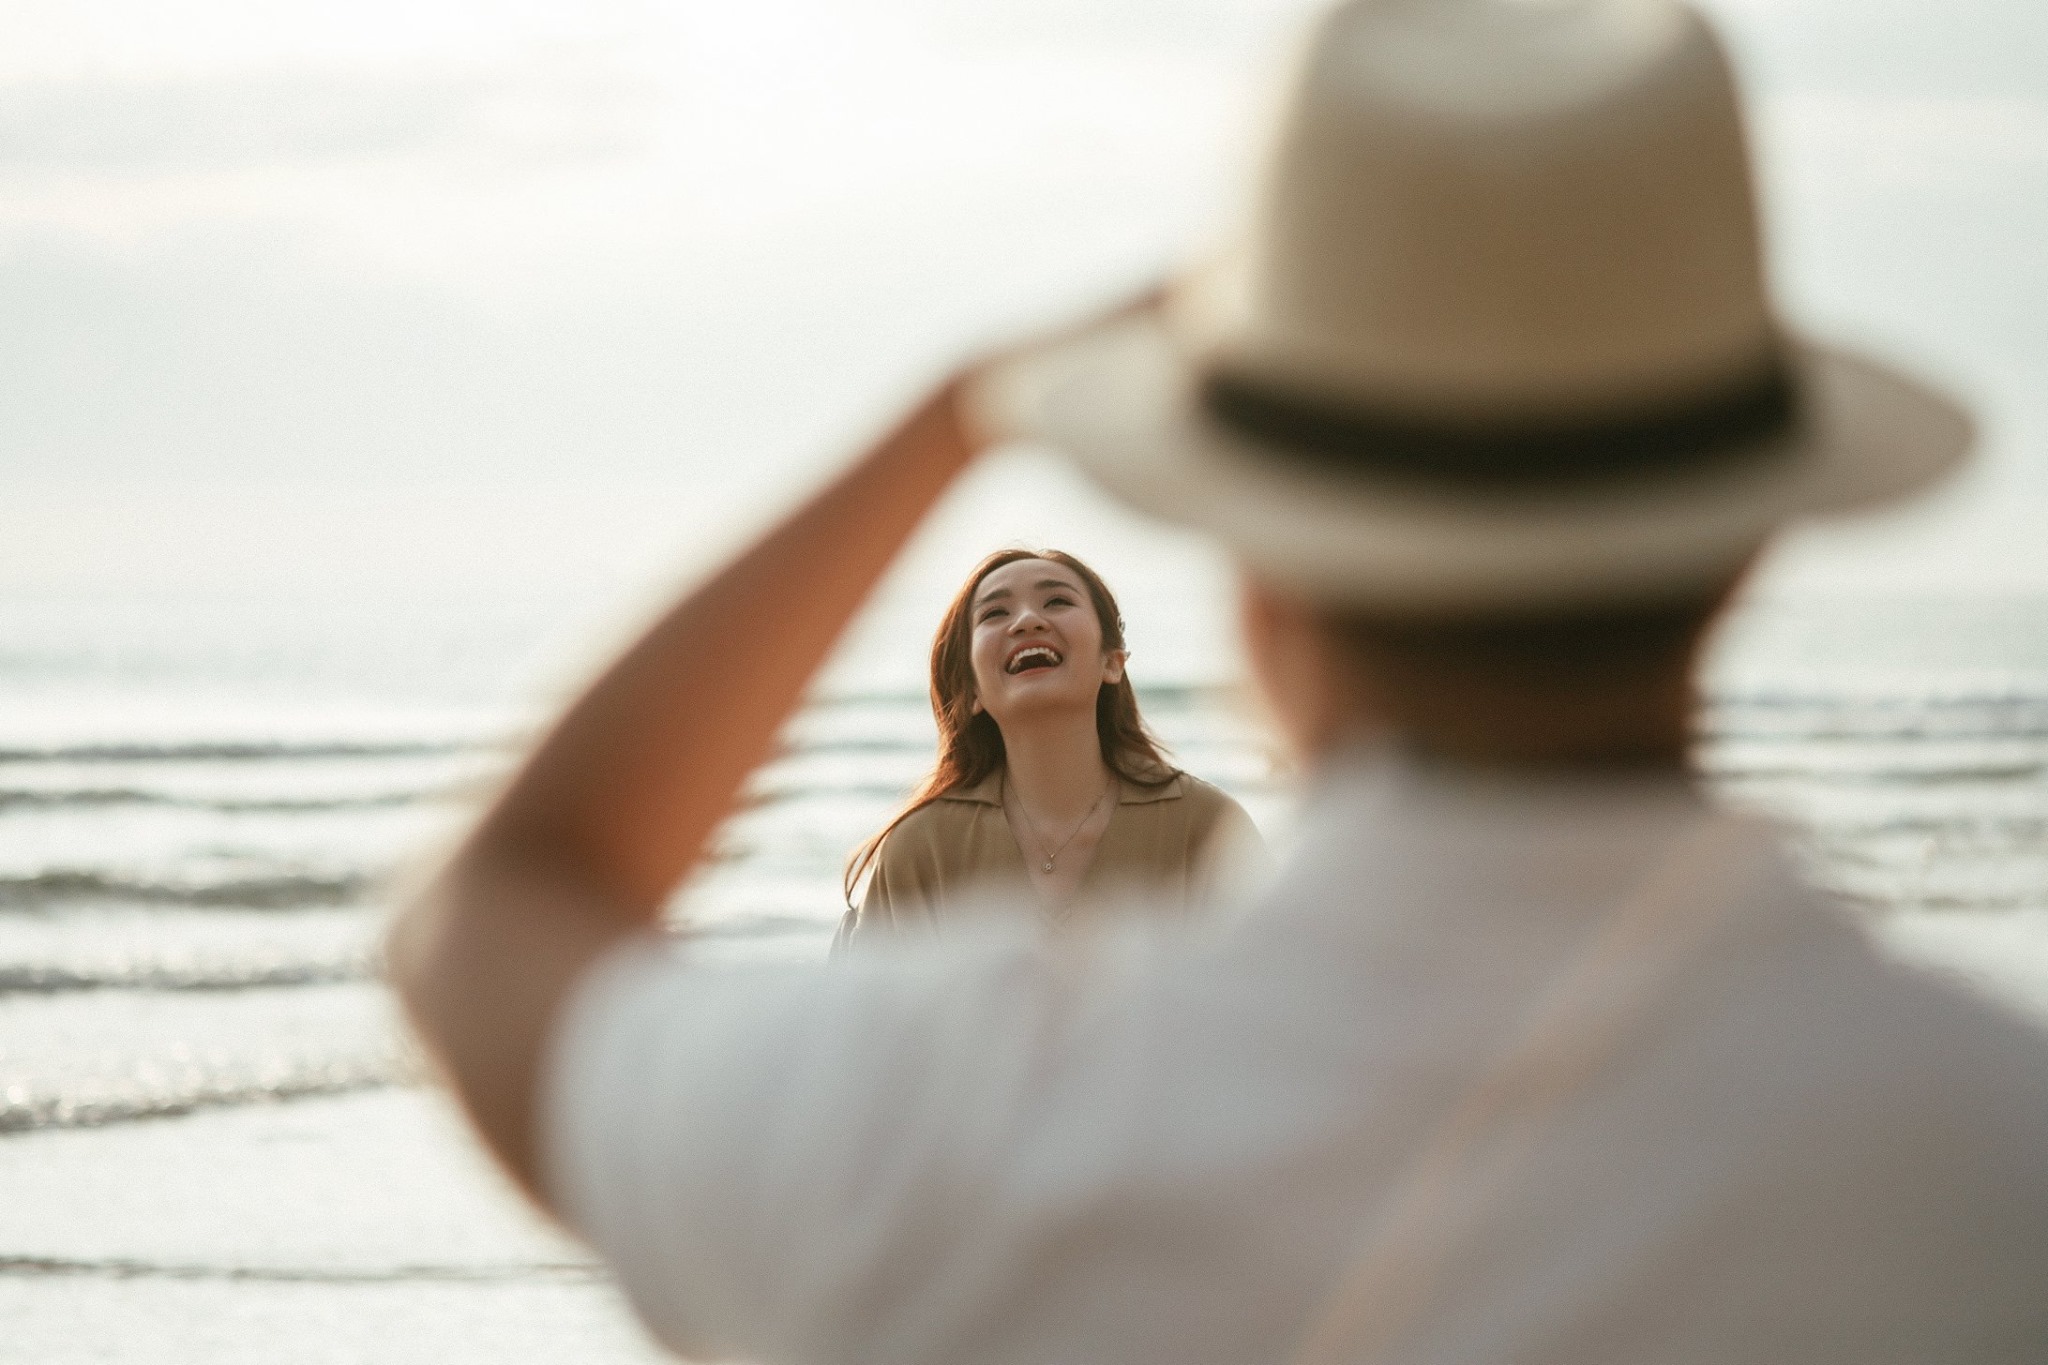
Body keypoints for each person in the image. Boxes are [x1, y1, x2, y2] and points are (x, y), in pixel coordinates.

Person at [389, 2, 2048, 1361]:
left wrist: (960, 410)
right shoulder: (1987, 1149)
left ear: (1245, 569)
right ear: (1745, 546)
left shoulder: (945, 1128)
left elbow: (494, 921)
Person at [835, 547, 1262, 948]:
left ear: (1112, 662)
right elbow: (871, 1022)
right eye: (995, 612)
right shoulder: (920, 846)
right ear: (972, 692)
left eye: (1057, 601)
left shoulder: (1208, 828)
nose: (1026, 621)